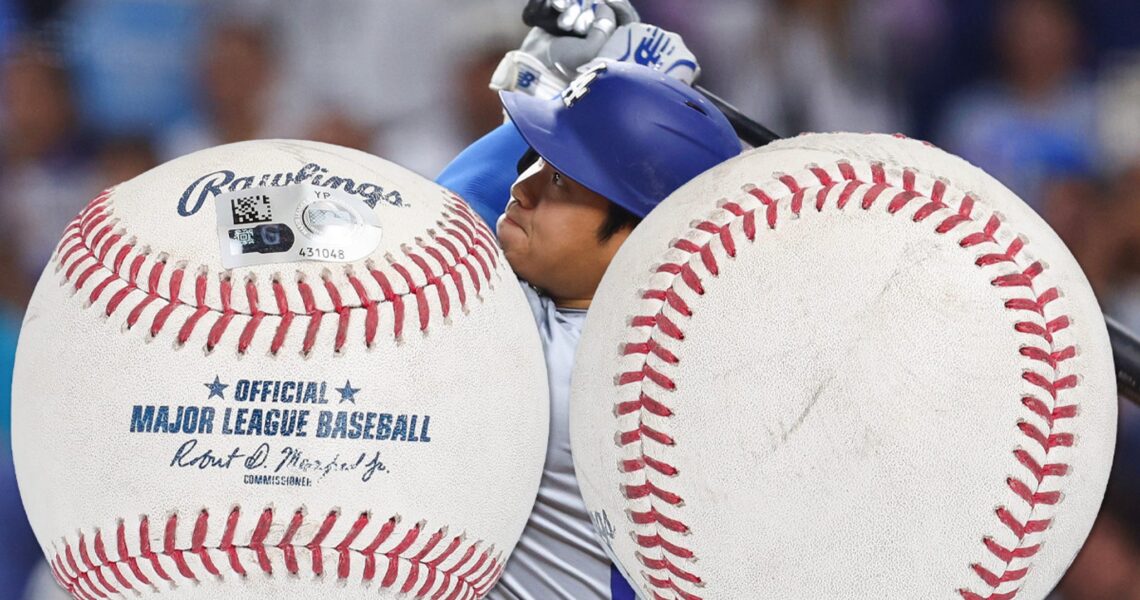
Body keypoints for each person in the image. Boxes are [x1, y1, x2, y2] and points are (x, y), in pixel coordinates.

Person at [435, 4, 741, 598]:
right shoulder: (695, 346)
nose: (520, 187)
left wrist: (591, 69)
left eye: (560, 182)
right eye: (534, 161)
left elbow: (434, 225)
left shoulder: (561, 367)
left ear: (640, 236)